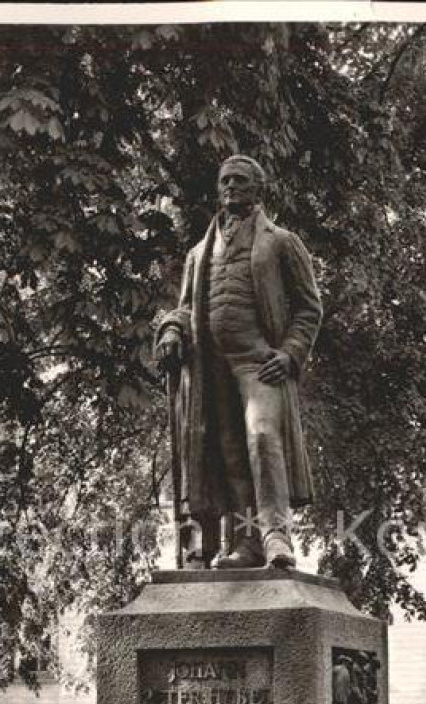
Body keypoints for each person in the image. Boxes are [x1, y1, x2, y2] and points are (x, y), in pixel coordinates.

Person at [155, 155, 322, 569]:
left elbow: (309, 307)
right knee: (229, 454)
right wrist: (172, 330)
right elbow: (185, 308)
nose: (230, 186)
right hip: (211, 370)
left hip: (259, 363)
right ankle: (246, 544)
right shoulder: (198, 253)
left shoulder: (281, 242)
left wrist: (290, 354)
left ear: (257, 189)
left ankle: (276, 535)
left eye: (239, 180)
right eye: (224, 180)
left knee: (262, 437)